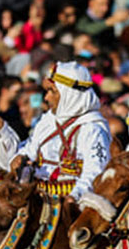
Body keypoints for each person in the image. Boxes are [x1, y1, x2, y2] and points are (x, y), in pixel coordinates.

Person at [12, 61, 111, 200]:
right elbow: (29, 149)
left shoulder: (92, 129)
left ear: (69, 95)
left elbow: (95, 172)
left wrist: (74, 196)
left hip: (69, 203)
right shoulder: (48, 120)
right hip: (34, 195)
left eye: (52, 91)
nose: (46, 98)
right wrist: (20, 156)